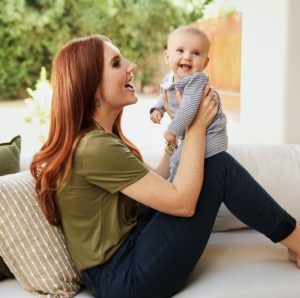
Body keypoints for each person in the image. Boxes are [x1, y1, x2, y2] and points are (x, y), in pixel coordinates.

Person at [31, 34, 300, 298]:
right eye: (116, 63)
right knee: (218, 167)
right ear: (93, 88)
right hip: (123, 277)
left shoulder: (100, 140)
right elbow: (182, 203)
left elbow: (156, 182)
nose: (131, 66)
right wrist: (195, 126)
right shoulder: (94, 147)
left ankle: (293, 239)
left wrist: (176, 142)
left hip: (127, 253)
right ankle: (297, 240)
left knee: (210, 166)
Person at [150, 26, 227, 182]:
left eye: (196, 53)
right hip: (190, 133)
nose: (187, 57)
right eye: (180, 50)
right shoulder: (170, 77)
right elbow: (165, 93)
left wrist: (171, 131)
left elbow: (189, 109)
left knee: (179, 161)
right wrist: (158, 109)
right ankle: (172, 187)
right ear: (167, 56)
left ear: (205, 62)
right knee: (178, 159)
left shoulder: (196, 80)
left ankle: (174, 188)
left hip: (209, 138)